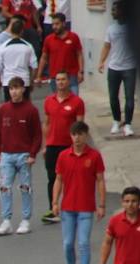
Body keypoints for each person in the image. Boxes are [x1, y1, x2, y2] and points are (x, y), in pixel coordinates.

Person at [52, 120, 106, 264]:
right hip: (68, 208)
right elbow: (58, 179)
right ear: (71, 136)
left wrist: (102, 204)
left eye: (80, 134)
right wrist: (54, 202)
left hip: (85, 209)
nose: (77, 138)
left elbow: (100, 180)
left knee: (83, 243)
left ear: (86, 135)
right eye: (74, 134)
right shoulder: (63, 156)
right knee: (68, 244)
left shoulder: (94, 156)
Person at [0, 76, 41, 235]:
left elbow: (37, 135)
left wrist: (33, 154)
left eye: (17, 88)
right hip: (6, 155)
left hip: (24, 155)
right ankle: (6, 220)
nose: (14, 92)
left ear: (23, 89)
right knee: (4, 187)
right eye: (11, 88)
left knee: (25, 188)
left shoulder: (31, 110)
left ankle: (26, 219)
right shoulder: (3, 109)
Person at [42, 69, 85, 224]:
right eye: (58, 79)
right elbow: (46, 123)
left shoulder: (77, 102)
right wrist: (45, 145)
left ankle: (72, 208)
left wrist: (79, 146)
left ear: (68, 81)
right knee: (52, 178)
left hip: (68, 146)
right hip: (52, 145)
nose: (60, 82)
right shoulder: (49, 101)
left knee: (70, 179)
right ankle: (52, 209)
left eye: (63, 79)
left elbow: (80, 126)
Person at [98, 2, 136, 137]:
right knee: (113, 97)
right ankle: (116, 121)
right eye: (112, 9)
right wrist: (101, 61)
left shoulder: (132, 28)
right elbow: (106, 46)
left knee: (129, 98)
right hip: (114, 67)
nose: (112, 12)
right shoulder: (111, 29)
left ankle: (128, 125)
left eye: (115, 9)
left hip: (129, 68)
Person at [36, 12, 82, 92]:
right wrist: (39, 76)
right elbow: (43, 58)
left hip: (71, 76)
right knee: (58, 102)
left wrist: (81, 71)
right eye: (53, 24)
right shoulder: (48, 39)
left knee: (73, 102)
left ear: (64, 24)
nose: (54, 27)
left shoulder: (74, 37)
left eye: (57, 24)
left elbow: (79, 54)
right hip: (55, 77)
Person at [0, 18, 37, 100]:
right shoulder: (28, 46)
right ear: (22, 31)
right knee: (25, 108)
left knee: (9, 109)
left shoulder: (3, 47)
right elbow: (34, 67)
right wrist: (31, 81)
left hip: (8, 82)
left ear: (11, 31)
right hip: (24, 81)